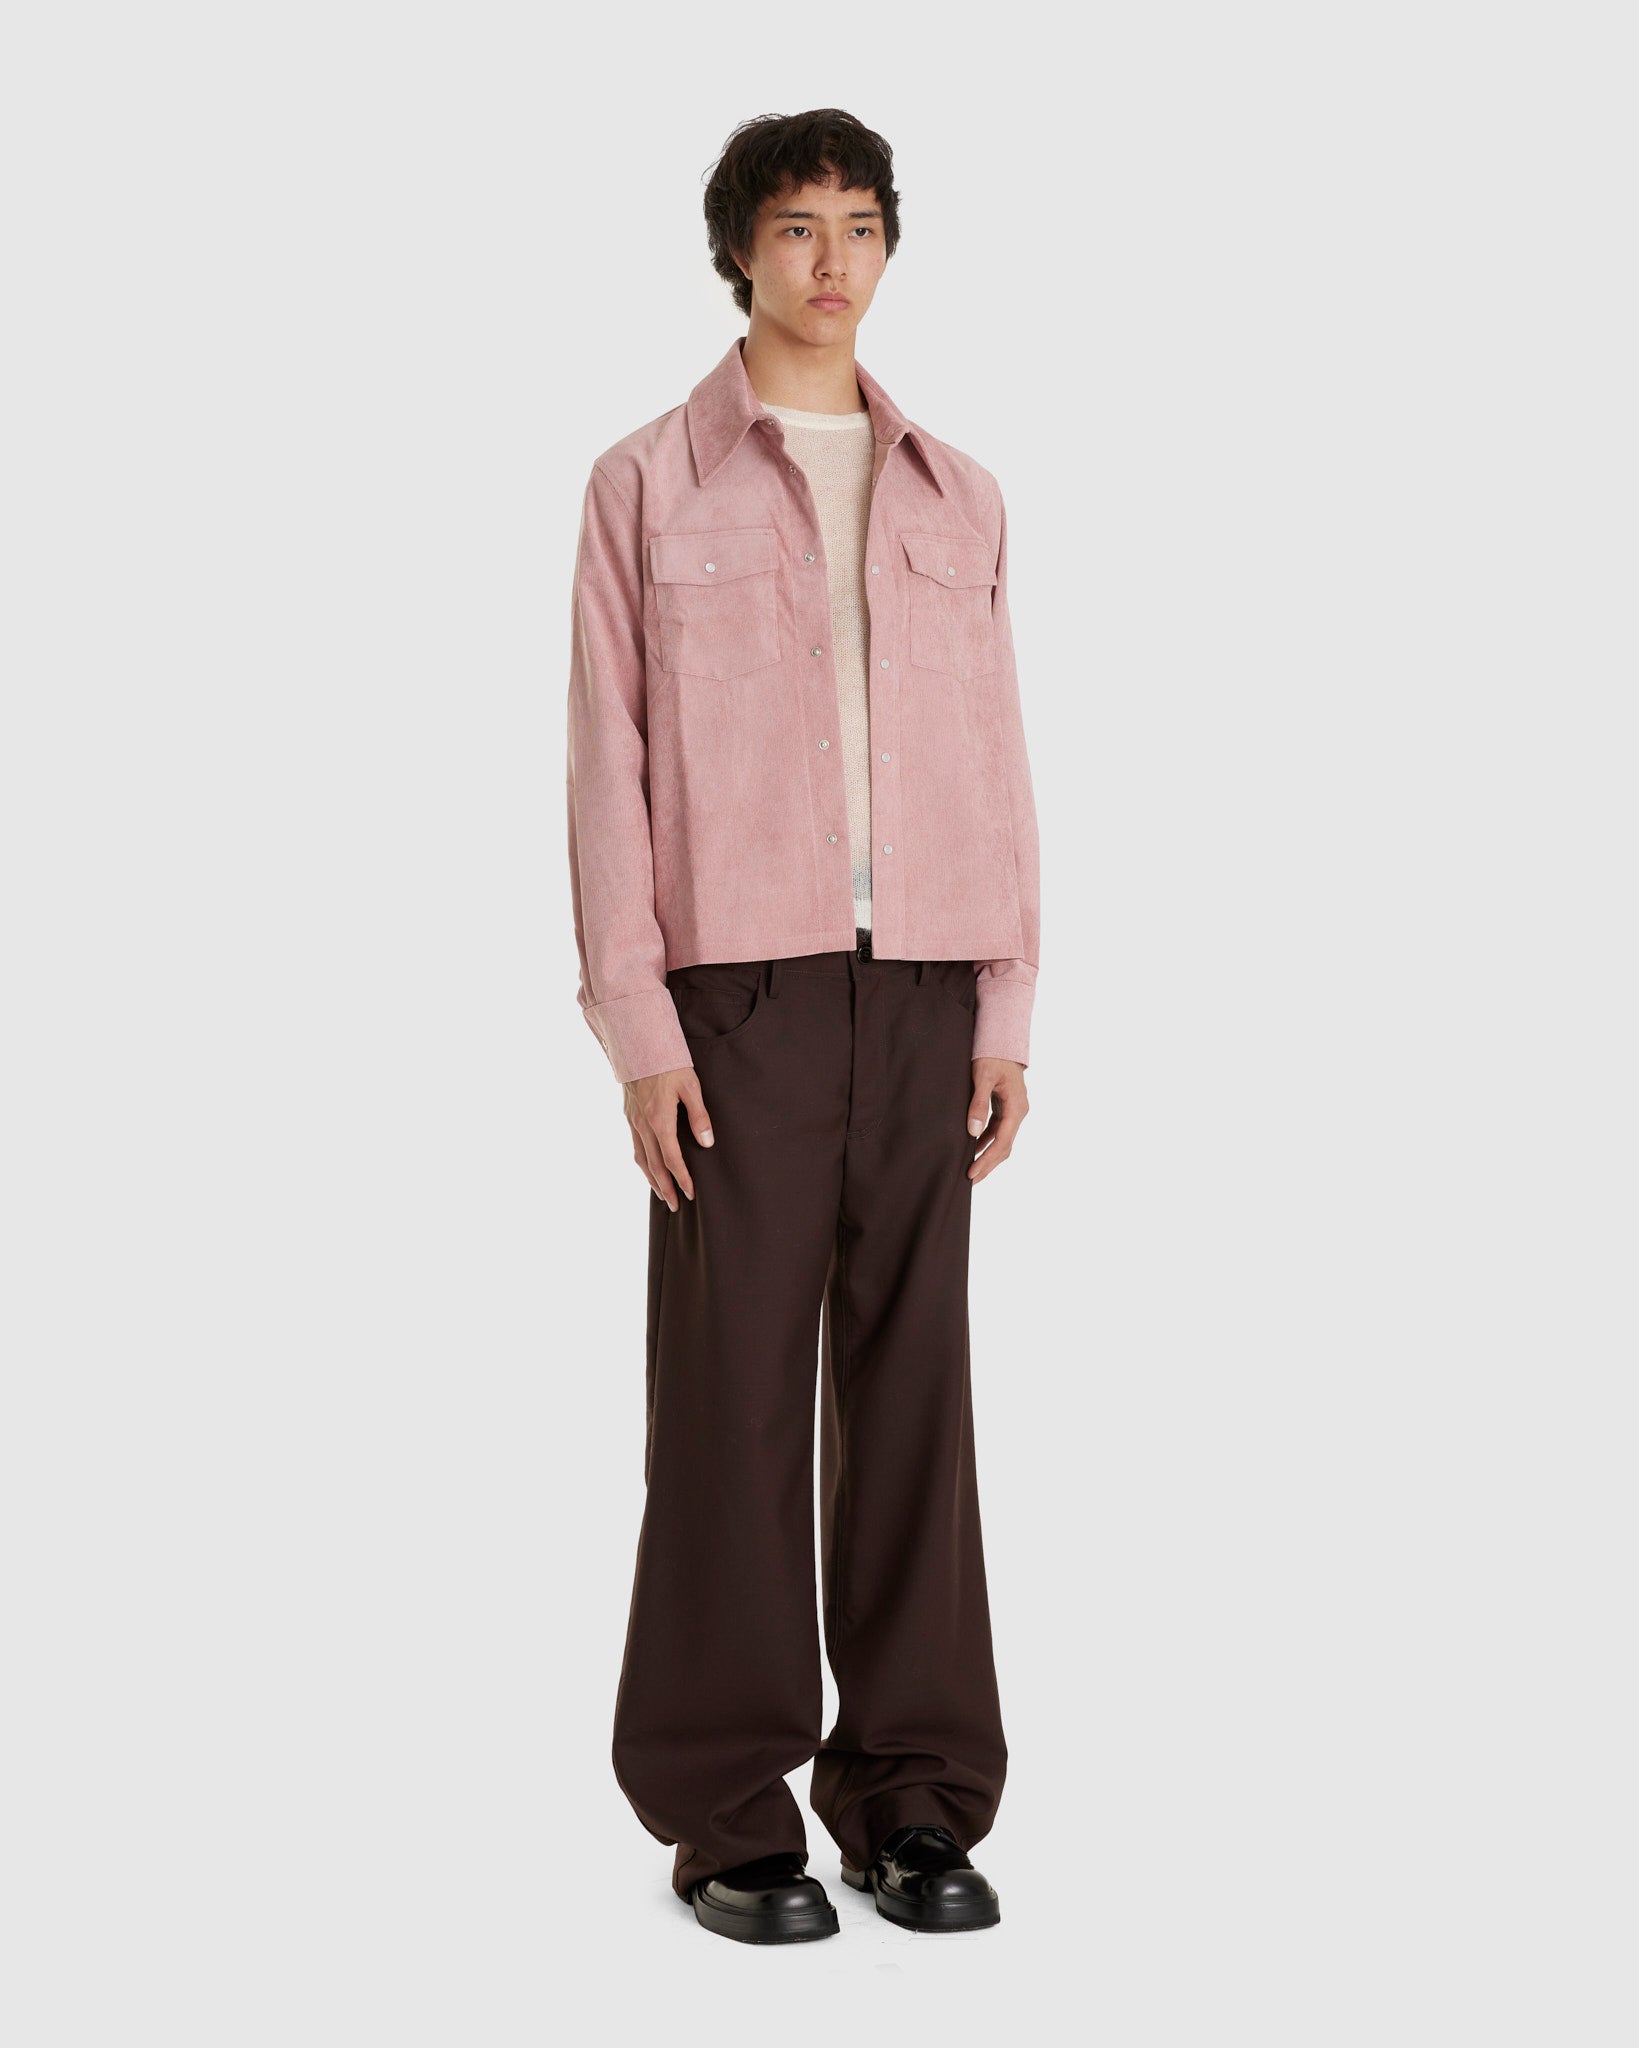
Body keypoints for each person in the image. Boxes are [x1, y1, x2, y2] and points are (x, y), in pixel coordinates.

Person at [565, 108, 1040, 1944]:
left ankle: (913, 1795)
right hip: (737, 1001)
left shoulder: (959, 494)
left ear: (889, 248)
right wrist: (640, 1026)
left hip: (926, 988)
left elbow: (995, 755)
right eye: (794, 228)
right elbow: (607, 767)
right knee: (732, 1404)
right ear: (737, 253)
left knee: (917, 1401)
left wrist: (1006, 999)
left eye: (858, 226)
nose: (830, 261)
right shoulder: (645, 485)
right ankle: (724, 1805)